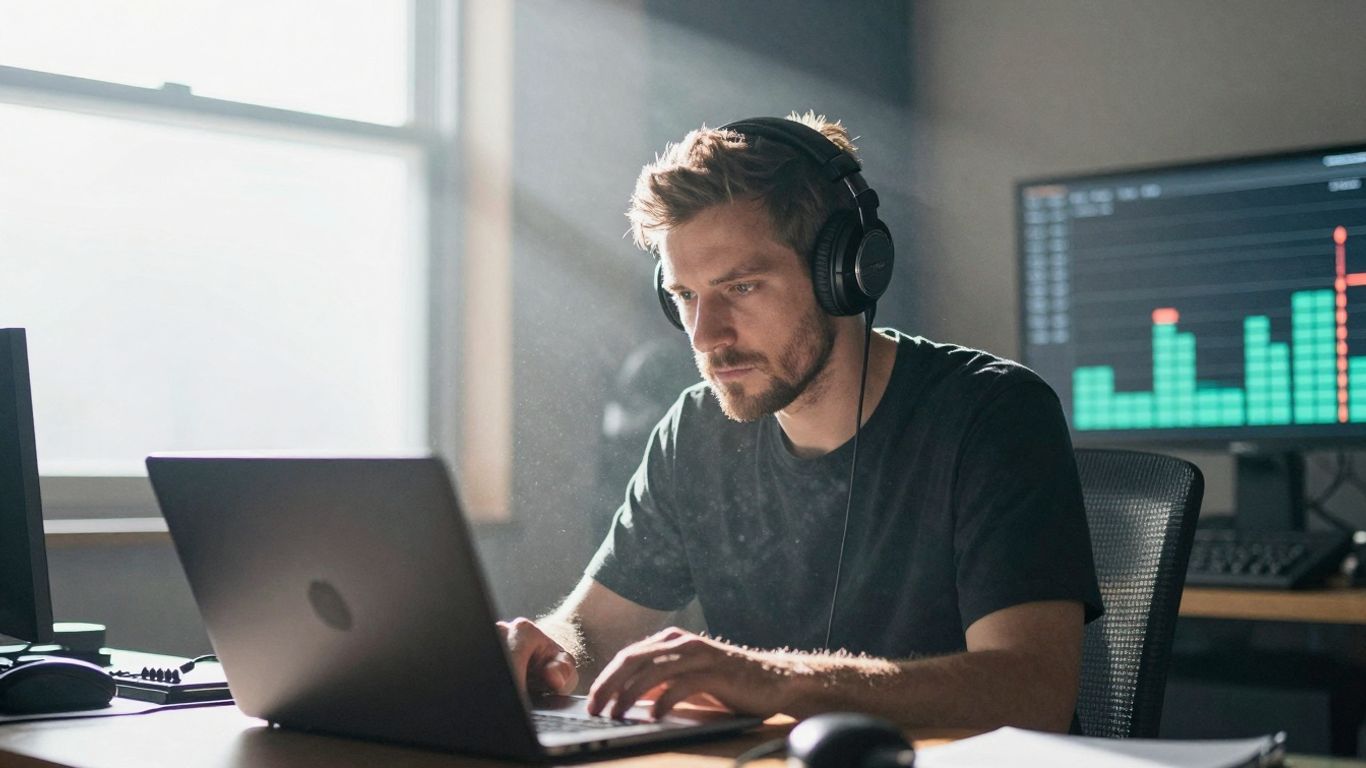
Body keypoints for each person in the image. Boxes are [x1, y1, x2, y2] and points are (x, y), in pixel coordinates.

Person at [497, 112, 1102, 733]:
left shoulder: (993, 414)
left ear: (843, 274)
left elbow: (1032, 692)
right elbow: (592, 628)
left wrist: (770, 679)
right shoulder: (695, 434)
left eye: (742, 287)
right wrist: (548, 650)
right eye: (685, 296)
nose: (706, 335)